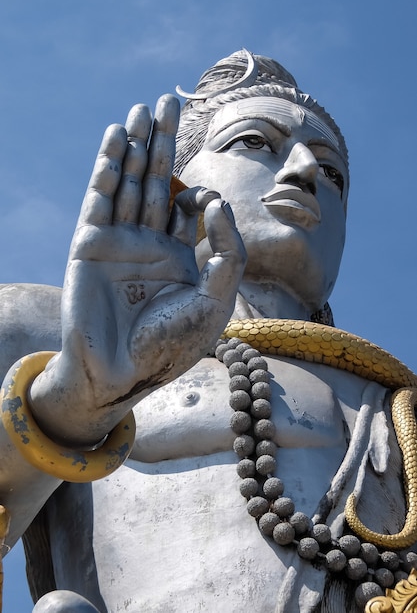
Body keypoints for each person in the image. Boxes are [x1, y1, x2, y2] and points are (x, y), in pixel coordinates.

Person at [0, 50, 415, 613]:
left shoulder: (397, 409)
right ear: (177, 179)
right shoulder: (53, 329)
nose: (305, 172)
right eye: (253, 143)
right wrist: (70, 406)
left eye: (333, 173)